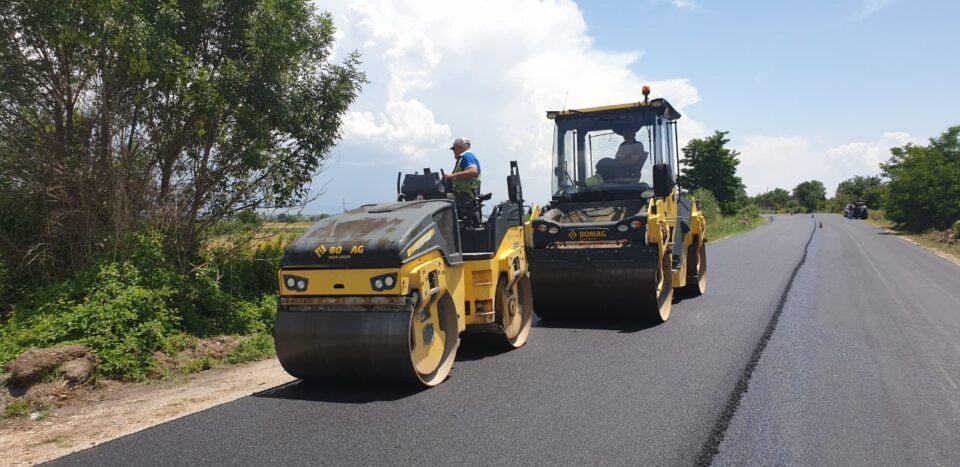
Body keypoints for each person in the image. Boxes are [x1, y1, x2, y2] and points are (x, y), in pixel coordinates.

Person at [445, 137, 482, 223]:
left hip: (464, 196)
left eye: (454, 149)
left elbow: (473, 171)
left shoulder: (467, 156)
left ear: (459, 147)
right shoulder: (463, 158)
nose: (453, 151)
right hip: (461, 196)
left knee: (439, 200)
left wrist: (451, 176)